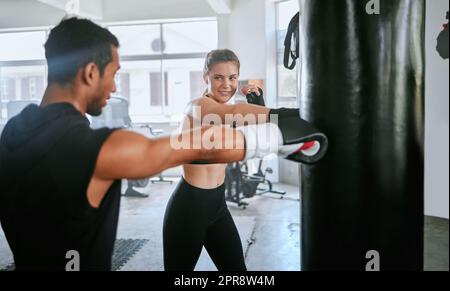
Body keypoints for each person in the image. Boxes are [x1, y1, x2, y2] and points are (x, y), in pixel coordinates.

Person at [0, 18, 323, 271]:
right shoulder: (93, 149)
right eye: (114, 74)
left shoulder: (14, 130)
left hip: (215, 206)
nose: (115, 86)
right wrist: (282, 127)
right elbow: (194, 146)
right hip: (189, 209)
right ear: (89, 72)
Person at [163, 49, 327, 271]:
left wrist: (259, 101)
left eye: (232, 78)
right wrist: (296, 112)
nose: (226, 85)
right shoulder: (197, 106)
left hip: (217, 208)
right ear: (205, 77)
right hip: (188, 210)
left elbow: (254, 127)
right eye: (218, 77)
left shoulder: (226, 111)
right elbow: (233, 112)